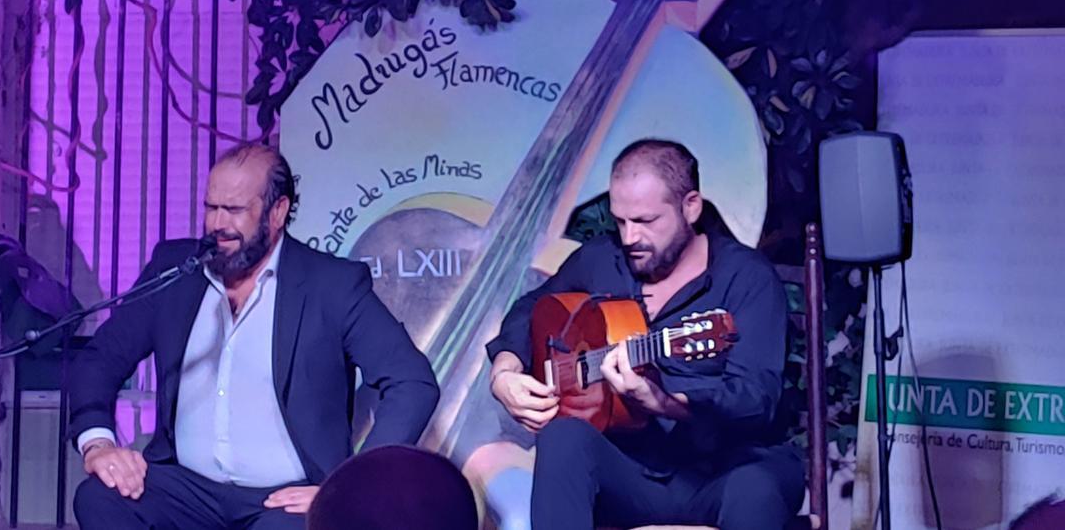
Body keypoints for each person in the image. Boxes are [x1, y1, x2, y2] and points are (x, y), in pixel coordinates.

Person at [70, 143, 439, 530]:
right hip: (185, 488)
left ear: (277, 212)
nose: (217, 224)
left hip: (285, 499)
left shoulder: (331, 285)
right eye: (211, 208)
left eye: (234, 210)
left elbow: (412, 382)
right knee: (100, 498)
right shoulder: (175, 271)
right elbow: (101, 358)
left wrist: (350, 489)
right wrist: (99, 444)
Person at [486, 139, 805, 530]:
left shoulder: (746, 278)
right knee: (562, 438)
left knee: (757, 488)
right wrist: (504, 371)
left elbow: (755, 399)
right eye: (621, 221)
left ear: (690, 207)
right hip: (632, 474)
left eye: (646, 221)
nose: (629, 237)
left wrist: (665, 403)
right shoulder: (601, 260)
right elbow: (532, 308)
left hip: (723, 471)